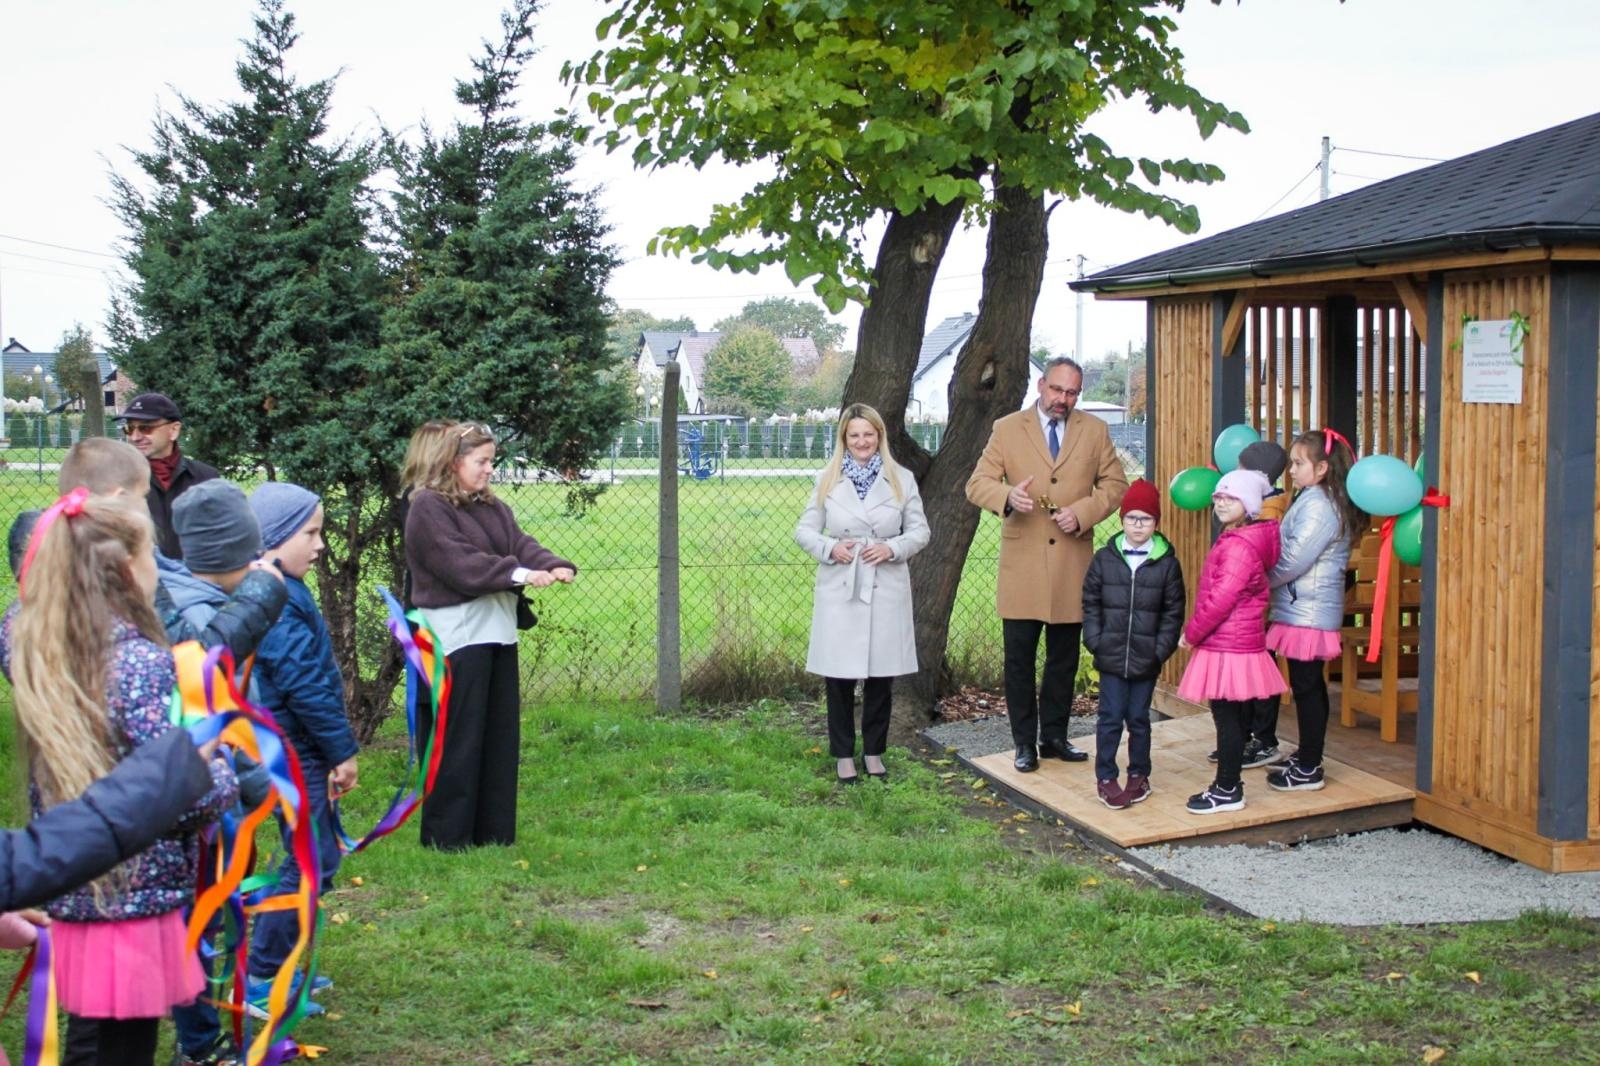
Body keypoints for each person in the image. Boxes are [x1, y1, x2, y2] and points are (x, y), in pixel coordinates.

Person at [0, 491, 237, 1065]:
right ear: (130, 570)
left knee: (92, 1033)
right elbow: (171, 790)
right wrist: (223, 771)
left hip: (77, 888)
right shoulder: (139, 664)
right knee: (121, 1044)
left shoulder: (41, 647)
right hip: (134, 893)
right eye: (154, 557)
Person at [403, 421, 576, 849]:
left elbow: (519, 542)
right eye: (482, 461)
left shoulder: (491, 507)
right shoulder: (428, 506)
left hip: (496, 633)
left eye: (491, 461)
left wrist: (554, 563)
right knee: (458, 741)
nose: (488, 470)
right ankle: (447, 838)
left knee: (498, 738)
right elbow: (458, 563)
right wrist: (521, 574)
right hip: (455, 638)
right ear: (454, 461)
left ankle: (493, 835)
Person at [965, 357, 1129, 773]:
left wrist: (1085, 511)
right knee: (1018, 661)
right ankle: (1024, 743)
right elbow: (976, 483)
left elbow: (1115, 486)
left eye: (1072, 393)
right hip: (1021, 566)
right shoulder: (1007, 428)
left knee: (1064, 659)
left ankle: (1054, 737)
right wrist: (1006, 498)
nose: (1063, 400)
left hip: (1073, 563)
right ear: (1041, 385)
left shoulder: (1094, 431)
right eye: (1057, 390)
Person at [243, 482, 357, 1018]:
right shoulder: (278, 598)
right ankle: (264, 976)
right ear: (274, 538)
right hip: (296, 751)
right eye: (310, 533)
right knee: (311, 860)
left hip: (300, 748)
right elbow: (303, 685)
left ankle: (278, 960)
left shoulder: (284, 587)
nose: (319, 546)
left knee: (315, 855)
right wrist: (341, 752)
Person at [794, 404, 931, 784]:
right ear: (844, 439)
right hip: (841, 585)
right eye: (854, 435)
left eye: (868, 434)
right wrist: (829, 549)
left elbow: (920, 532)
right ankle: (842, 754)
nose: (862, 442)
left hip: (884, 584)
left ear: (879, 437)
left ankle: (874, 751)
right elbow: (804, 530)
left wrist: (892, 548)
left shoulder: (901, 478)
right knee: (838, 677)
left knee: (880, 677)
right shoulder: (827, 479)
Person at [1176, 470, 1286, 814]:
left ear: (1249, 504)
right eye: (1219, 497)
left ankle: (1227, 788)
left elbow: (1222, 598)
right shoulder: (1242, 536)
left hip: (1228, 644)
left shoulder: (1240, 545)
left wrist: (1192, 633)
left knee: (1227, 719)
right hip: (1234, 641)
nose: (1221, 502)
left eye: (1231, 497)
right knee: (1233, 718)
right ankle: (1229, 784)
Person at [1265, 429, 1366, 793]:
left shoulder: (1321, 506)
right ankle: (1308, 755)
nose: (1290, 469)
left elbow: (1293, 560)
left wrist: (1257, 579)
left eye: (1297, 463)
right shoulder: (1314, 497)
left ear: (1322, 468)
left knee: (1307, 686)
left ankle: (1310, 764)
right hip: (1299, 606)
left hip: (1307, 610)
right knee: (1306, 684)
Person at [1080, 478, 1185, 810]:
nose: (1139, 525)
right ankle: (1106, 777)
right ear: (1122, 520)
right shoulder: (1104, 559)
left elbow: (1173, 611)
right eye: (1132, 518)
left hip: (1145, 658)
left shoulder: (1167, 563)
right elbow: (1090, 603)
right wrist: (1095, 640)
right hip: (1110, 655)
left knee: (1139, 719)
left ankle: (1139, 775)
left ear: (1156, 523)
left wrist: (1159, 650)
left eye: (1146, 519)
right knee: (1109, 717)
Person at [1208, 439, 1291, 770]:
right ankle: (1242, 739)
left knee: (1257, 683)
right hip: (1257, 608)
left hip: (1254, 610)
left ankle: (1262, 740)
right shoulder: (1273, 502)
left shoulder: (1266, 510)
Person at [114, 391, 219, 560]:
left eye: (145, 428)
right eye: (129, 428)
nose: (135, 437)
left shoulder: (206, 478)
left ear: (174, 430)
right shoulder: (118, 480)